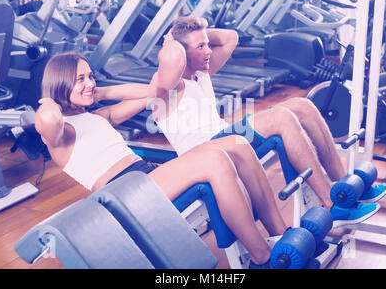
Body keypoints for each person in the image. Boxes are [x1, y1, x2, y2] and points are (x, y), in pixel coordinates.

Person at [35, 51, 297, 269]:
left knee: (236, 144)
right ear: (60, 82)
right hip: (122, 193)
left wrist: (99, 91)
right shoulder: (60, 135)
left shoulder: (99, 116)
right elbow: (49, 119)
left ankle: (278, 234)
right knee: (215, 160)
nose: (89, 83)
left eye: (90, 76)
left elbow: (154, 92)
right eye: (79, 78)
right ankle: (262, 257)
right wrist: (49, 98)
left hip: (146, 176)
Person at [149, 15, 386, 227]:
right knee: (281, 118)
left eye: (207, 45)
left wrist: (195, 35)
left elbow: (230, 37)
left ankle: (344, 190)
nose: (208, 50)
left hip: (225, 137)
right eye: (201, 46)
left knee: (302, 105)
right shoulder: (167, 85)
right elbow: (171, 65)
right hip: (205, 153)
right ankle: (331, 205)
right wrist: (173, 41)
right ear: (180, 52)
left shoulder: (201, 73)